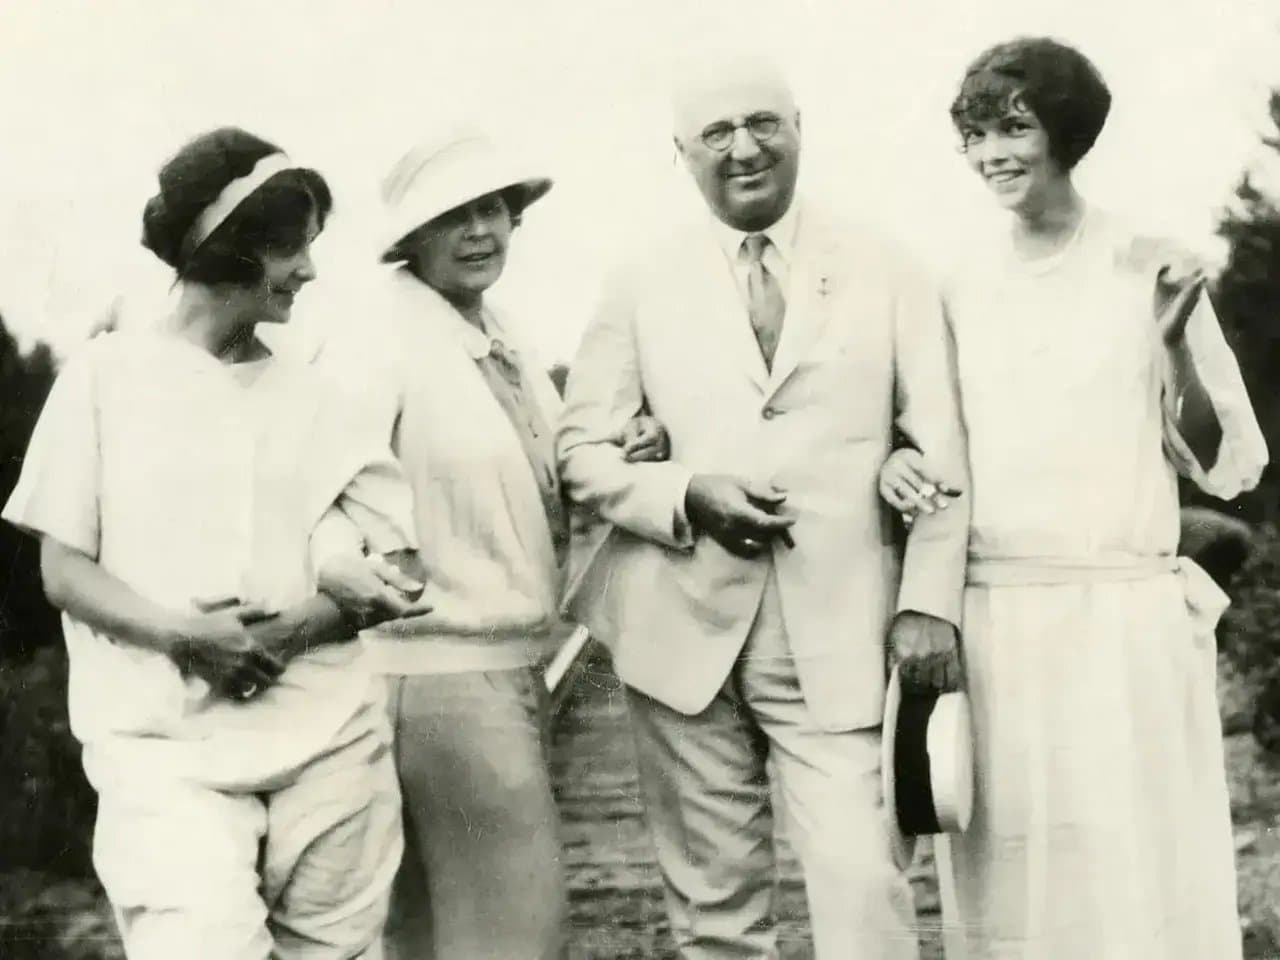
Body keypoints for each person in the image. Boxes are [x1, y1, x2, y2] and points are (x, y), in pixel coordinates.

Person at [556, 54, 970, 959]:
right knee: (714, 910)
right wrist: (684, 492)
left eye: (762, 124)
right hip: (680, 635)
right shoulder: (640, 280)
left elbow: (942, 446)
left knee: (863, 885)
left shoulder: (886, 267)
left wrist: (928, 603)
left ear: (798, 130)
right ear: (681, 153)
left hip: (843, 630)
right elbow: (580, 452)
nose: (743, 148)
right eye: (716, 133)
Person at [878, 37, 1267, 959]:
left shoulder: (1148, 264)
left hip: (1123, 624)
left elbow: (1224, 462)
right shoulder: (954, 284)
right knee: (1016, 872)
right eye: (977, 135)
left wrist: (1173, 348)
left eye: (1015, 129)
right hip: (999, 618)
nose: (993, 154)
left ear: (1067, 132)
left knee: (1132, 867)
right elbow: (923, 435)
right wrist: (895, 464)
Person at [2, 127, 429, 959]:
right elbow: (64, 571)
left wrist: (283, 634)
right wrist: (185, 637)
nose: (309, 272)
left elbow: (403, 568)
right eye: (292, 249)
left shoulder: (320, 395)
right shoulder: (103, 378)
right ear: (231, 248)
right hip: (164, 752)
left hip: (331, 747)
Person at [312, 128, 669, 960]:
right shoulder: (380, 334)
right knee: (515, 929)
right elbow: (320, 485)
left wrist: (629, 448)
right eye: (453, 216)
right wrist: (340, 567)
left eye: (493, 209)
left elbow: (546, 475)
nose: (479, 231)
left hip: (498, 666)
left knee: (432, 935)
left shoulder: (494, 332)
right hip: (435, 672)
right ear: (412, 235)